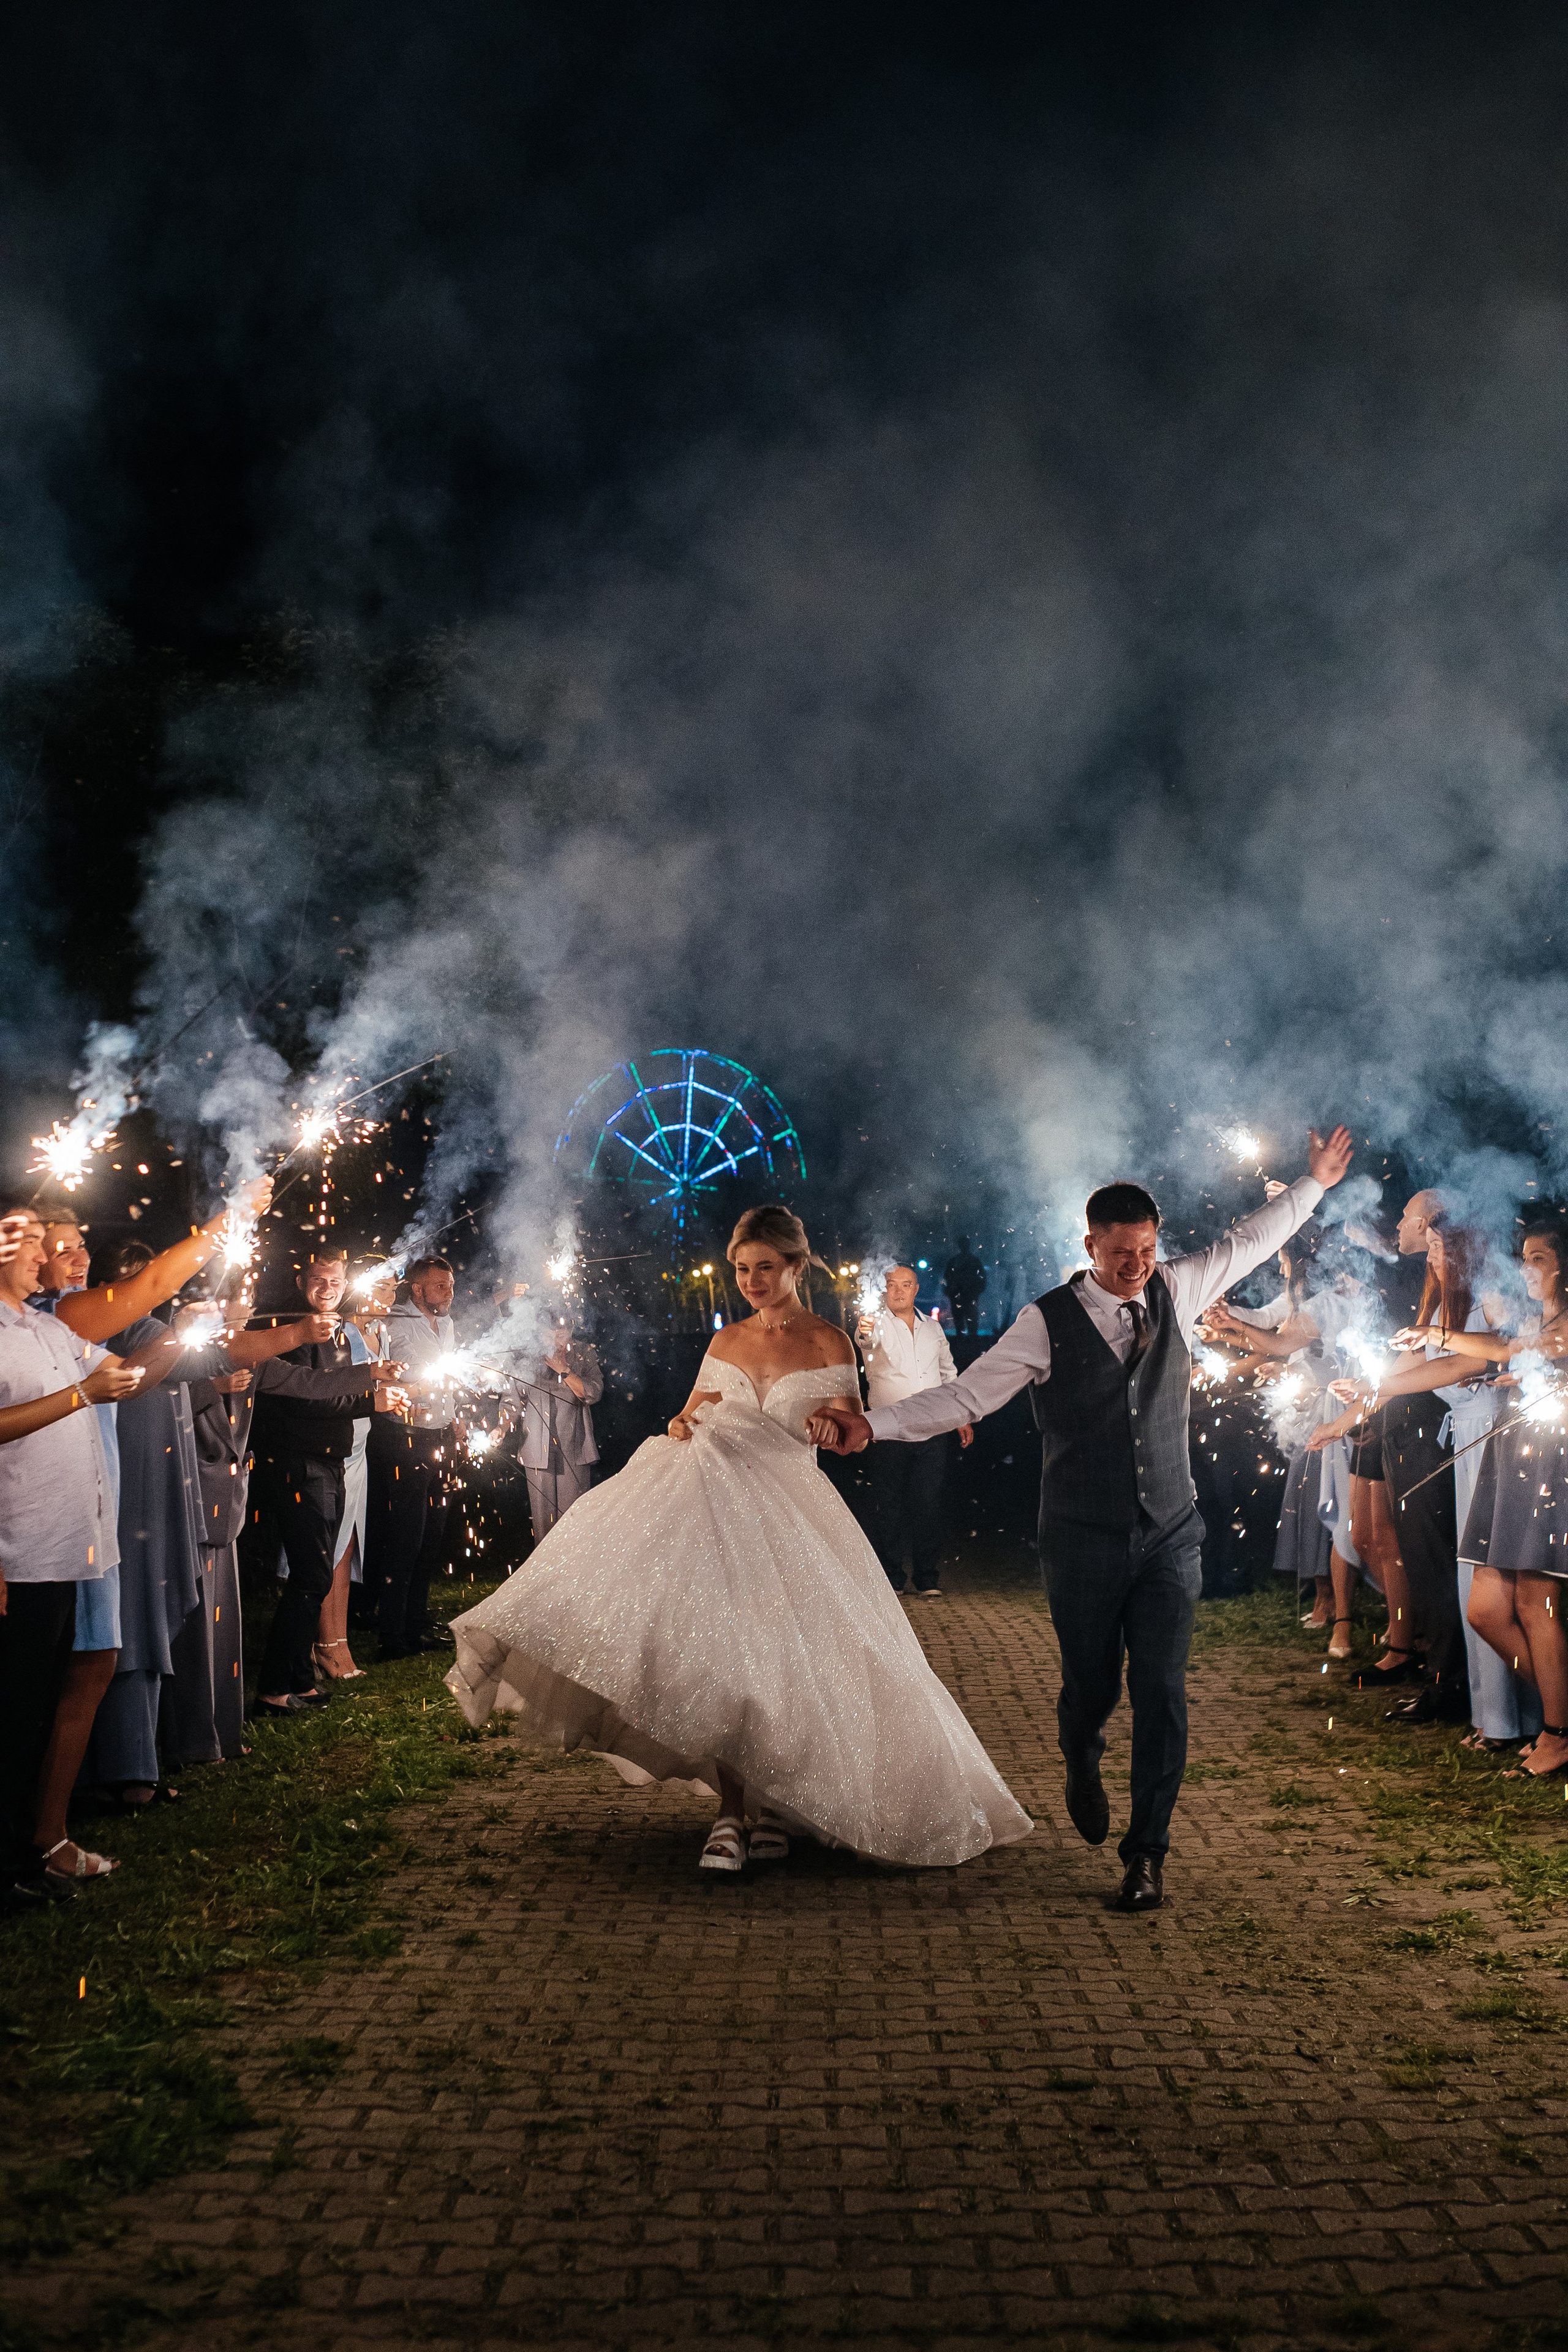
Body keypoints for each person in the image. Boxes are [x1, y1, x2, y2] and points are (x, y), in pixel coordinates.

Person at [812, 1128, 1355, 1913]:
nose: (1135, 1266)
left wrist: (1314, 1184)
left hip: (1170, 1533)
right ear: (1090, 1243)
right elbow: (967, 1396)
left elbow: (1249, 1241)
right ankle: (1080, 1753)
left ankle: (1147, 1855)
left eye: (1145, 1250)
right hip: (1081, 1539)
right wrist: (875, 1425)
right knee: (1091, 1689)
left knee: (1163, 1692)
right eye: (1119, 1252)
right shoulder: (1045, 1322)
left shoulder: (1178, 1287)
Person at [445, 1204, 1031, 1874]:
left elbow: (849, 1429)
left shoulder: (829, 1342)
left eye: (764, 1268)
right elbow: (689, 1412)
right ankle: (730, 1810)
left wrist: (828, 1427)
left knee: (791, 1662)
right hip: (713, 1512)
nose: (751, 1281)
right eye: (743, 1270)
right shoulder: (725, 1342)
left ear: (795, 1267)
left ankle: (780, 1803)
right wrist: (678, 1426)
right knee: (724, 1660)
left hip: (790, 1512)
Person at [0, 1208, 144, 1903]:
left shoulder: (47, 1327)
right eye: (35, 1246)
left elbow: (128, 1371)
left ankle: (27, 1859)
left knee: (28, 1712)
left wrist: (189, 1341)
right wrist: (84, 1393)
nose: (47, 1257)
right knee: (14, 1710)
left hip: (60, 1550)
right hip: (16, 1552)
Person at [1392, 1217, 1568, 1777]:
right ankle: (1560, 1713)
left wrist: (1441, 1336)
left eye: (1537, 1258)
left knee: (1534, 1605)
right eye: (1523, 1256)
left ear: (1562, 1266)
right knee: (1487, 1609)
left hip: (1550, 1465)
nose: (1524, 1268)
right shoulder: (1533, 1317)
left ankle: (1558, 1736)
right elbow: (1507, 1348)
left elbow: (1528, 1348)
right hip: (1512, 1458)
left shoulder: (1562, 1324)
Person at [1201, 1226, 1366, 1659]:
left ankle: (1352, 1617)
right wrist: (1226, 1324)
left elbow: (1284, 1341)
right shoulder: (1309, 1302)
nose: (1279, 1265)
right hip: (1323, 1414)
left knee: (1341, 1513)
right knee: (1318, 1508)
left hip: (1346, 1413)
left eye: (1283, 1258)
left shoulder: (1334, 1301)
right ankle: (1327, 1600)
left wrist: (1231, 1327)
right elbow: (1274, 1330)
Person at [244, 1251, 389, 1714]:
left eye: (336, 1280)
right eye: (318, 1279)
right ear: (301, 1281)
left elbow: (339, 1388)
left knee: (319, 1573)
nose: (328, 1287)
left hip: (334, 1459)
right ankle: (272, 1689)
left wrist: (377, 1391)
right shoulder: (288, 1329)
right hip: (298, 1462)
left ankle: (301, 1681)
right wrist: (373, 1398)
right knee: (309, 1574)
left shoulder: (343, 1331)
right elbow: (305, 1394)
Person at [856, 1265, 972, 1596]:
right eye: (892, 1285)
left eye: (906, 1285)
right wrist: (865, 1331)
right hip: (888, 1428)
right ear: (885, 1290)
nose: (899, 1291)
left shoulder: (933, 1328)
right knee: (888, 1504)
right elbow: (866, 1342)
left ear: (916, 1289)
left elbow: (948, 1373)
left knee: (928, 1505)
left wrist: (961, 1415)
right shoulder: (874, 1324)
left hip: (931, 1428)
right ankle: (892, 1578)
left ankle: (927, 1578)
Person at [372, 1254, 460, 1660]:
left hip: (442, 1437)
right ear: (417, 1289)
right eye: (440, 1286)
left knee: (432, 1537)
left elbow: (451, 1379)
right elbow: (386, 1379)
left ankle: (417, 1624)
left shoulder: (449, 1325)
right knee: (406, 1537)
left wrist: (455, 1419)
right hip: (406, 1439)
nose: (449, 1293)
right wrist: (423, 1387)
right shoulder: (394, 1323)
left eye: (452, 1285)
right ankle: (392, 1635)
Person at [514, 1313, 603, 1543]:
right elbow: (512, 1397)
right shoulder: (530, 1355)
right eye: (549, 1335)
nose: (555, 1341)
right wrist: (501, 1428)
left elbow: (593, 1393)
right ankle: (544, 1576)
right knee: (543, 1525)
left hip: (574, 1448)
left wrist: (564, 1370)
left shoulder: (584, 1353)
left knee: (573, 1520)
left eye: (561, 1334)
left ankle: (574, 1573)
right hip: (537, 1449)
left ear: (571, 1331)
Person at [942, 1239, 987, 1339]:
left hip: (962, 1295)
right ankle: (970, 1343)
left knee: (964, 1320)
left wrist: (949, 1291)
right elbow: (982, 1277)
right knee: (967, 1320)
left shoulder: (956, 1261)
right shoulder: (973, 1261)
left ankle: (965, 1343)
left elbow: (947, 1278)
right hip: (965, 1295)